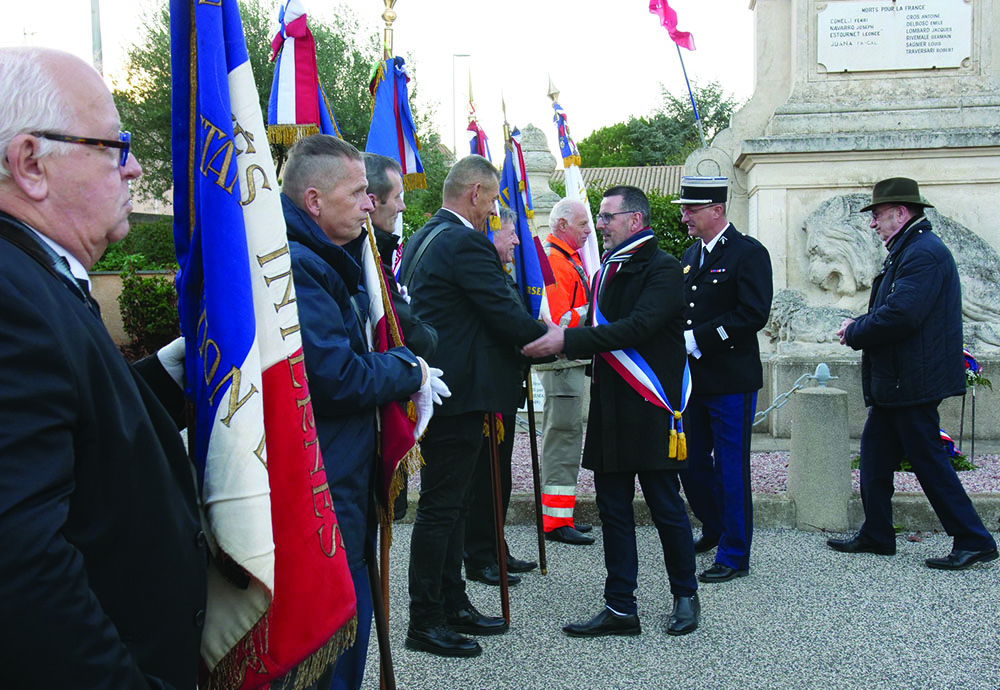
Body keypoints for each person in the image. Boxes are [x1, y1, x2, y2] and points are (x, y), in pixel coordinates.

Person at [0, 47, 206, 689]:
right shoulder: (10, 297)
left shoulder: (36, 275)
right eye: (114, 146)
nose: (135, 166)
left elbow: (86, 420)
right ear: (31, 164)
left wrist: (187, 360)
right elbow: (21, 570)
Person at [280, 134, 434, 690]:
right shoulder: (301, 265)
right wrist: (408, 370)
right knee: (332, 636)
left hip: (338, 471)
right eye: (359, 192)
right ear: (316, 201)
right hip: (323, 479)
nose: (371, 204)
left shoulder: (324, 254)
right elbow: (336, 376)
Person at [523, 185, 700, 638]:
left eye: (606, 217)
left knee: (665, 507)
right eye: (598, 218)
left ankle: (686, 594)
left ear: (634, 221)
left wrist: (566, 340)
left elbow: (637, 328)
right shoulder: (606, 271)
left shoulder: (662, 268)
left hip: (651, 407)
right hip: (610, 408)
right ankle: (621, 607)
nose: (599, 225)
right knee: (613, 511)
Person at [400, 155, 547, 658]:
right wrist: (557, 338)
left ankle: (453, 602)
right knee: (442, 509)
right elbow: (505, 314)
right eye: (490, 200)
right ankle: (425, 619)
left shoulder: (424, 236)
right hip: (460, 394)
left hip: (445, 389)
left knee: (455, 505)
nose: (492, 211)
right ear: (475, 194)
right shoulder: (464, 242)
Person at [828, 177, 998, 570]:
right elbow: (897, 307)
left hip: (911, 381)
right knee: (874, 456)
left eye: (879, 216)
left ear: (901, 214)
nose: (873, 224)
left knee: (928, 461)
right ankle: (877, 533)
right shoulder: (910, 249)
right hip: (900, 379)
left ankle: (974, 538)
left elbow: (903, 314)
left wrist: (855, 330)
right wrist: (863, 322)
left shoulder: (922, 252)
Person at [675, 176, 773, 584]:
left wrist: (697, 338)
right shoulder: (690, 254)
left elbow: (753, 314)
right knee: (690, 463)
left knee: (731, 468)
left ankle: (735, 553)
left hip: (731, 379)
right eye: (684, 210)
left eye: (691, 210)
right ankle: (714, 528)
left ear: (716, 210)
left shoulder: (748, 254)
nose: (684, 217)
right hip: (694, 381)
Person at [463, 206, 539, 586]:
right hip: (485, 391)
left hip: (502, 390)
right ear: (491, 233)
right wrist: (544, 338)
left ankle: (495, 545)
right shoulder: (481, 270)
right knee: (484, 478)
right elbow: (504, 321)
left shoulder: (498, 271)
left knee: (500, 475)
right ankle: (479, 556)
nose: (516, 241)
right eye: (510, 233)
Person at [363, 152, 438, 520]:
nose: (404, 207)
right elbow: (414, 337)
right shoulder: (364, 255)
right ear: (372, 201)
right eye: (397, 197)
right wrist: (416, 362)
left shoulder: (378, 251)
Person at [537, 197, 596, 546]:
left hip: (567, 363)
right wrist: (595, 309)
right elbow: (557, 322)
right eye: (583, 224)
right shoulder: (557, 261)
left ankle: (561, 516)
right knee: (562, 437)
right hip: (562, 363)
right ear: (561, 225)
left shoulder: (563, 258)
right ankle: (556, 522)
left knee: (566, 436)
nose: (589, 230)